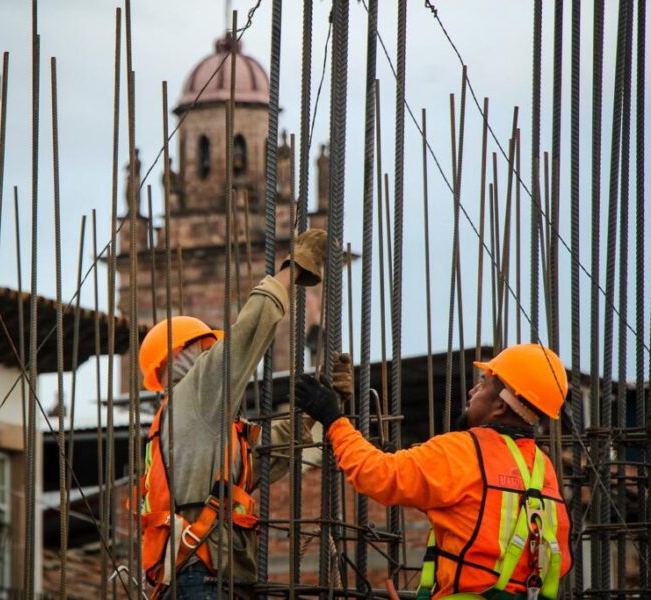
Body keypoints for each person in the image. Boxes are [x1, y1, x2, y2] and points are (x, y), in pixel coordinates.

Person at [296, 344, 573, 599]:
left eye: (482, 384)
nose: (472, 393)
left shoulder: (462, 451)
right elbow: (471, 513)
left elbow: (376, 475)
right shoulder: (541, 468)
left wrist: (332, 419)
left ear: (500, 405)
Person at [138, 229, 328, 599]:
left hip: (199, 572)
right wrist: (293, 270)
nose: (215, 354)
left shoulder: (196, 425)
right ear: (182, 357)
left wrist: (323, 406)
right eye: (209, 348)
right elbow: (246, 335)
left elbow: (267, 456)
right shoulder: (194, 393)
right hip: (201, 573)